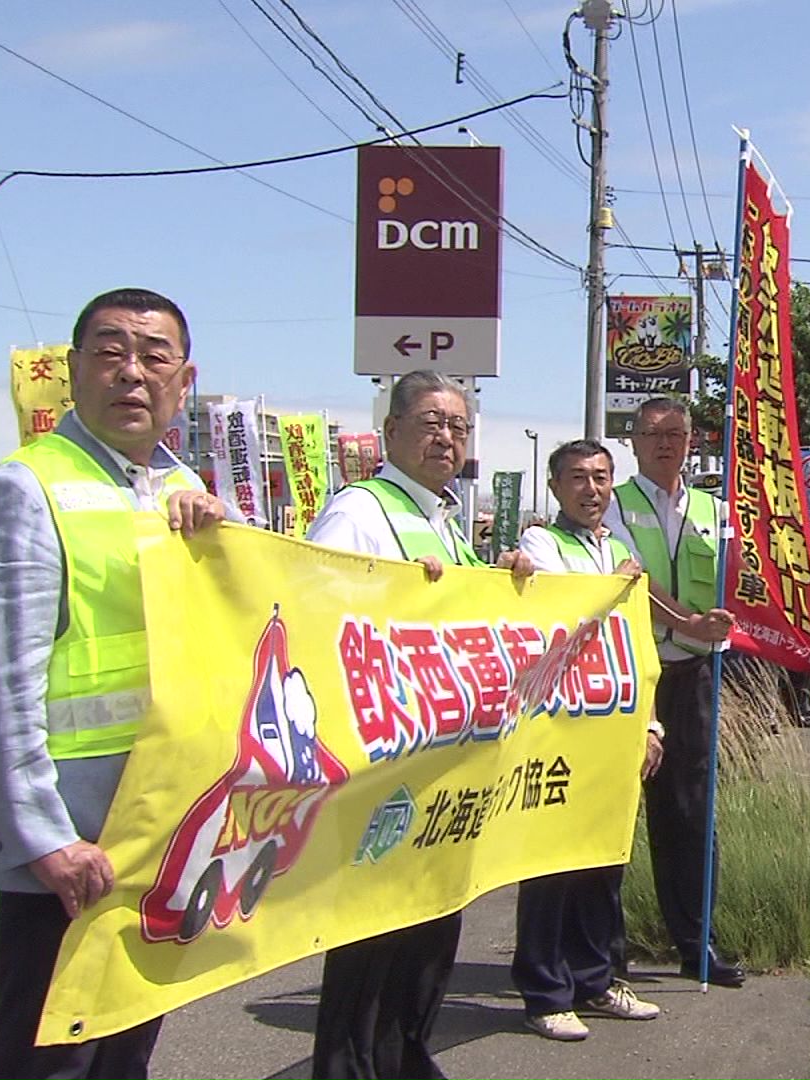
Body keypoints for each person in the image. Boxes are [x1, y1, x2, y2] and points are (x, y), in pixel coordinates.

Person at [0, 288, 231, 1080]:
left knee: (128, 1043)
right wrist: (41, 838)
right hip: (75, 844)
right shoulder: (27, 488)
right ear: (72, 371)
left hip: (167, 827)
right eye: (110, 353)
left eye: (154, 356)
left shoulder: (192, 494)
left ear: (185, 379)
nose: (132, 374)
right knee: (52, 1052)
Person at [306, 369, 530, 1080]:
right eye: (431, 423)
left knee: (430, 932)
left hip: (443, 773)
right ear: (392, 430)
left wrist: (506, 576)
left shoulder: (444, 518)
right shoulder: (359, 512)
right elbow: (321, 617)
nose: (447, 438)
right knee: (371, 943)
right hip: (385, 773)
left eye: (458, 427)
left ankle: (405, 1057)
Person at [508, 438, 663, 1040]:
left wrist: (650, 724)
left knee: (604, 861)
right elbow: (559, 619)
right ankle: (546, 991)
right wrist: (609, 588)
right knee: (549, 865)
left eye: (601, 477)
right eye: (577, 477)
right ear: (554, 487)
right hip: (556, 729)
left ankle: (596, 980)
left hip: (612, 727)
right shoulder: (543, 545)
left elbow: (635, 648)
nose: (591, 489)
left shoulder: (619, 548)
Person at [600, 397, 745, 988]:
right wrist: (686, 621)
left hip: (693, 677)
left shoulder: (716, 509)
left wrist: (723, 624)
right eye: (653, 432)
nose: (665, 442)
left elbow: (739, 579)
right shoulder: (612, 504)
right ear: (632, 442)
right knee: (609, 813)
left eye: (677, 432)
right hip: (630, 675)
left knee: (692, 814)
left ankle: (696, 941)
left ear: (693, 441)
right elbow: (626, 576)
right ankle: (604, 954)